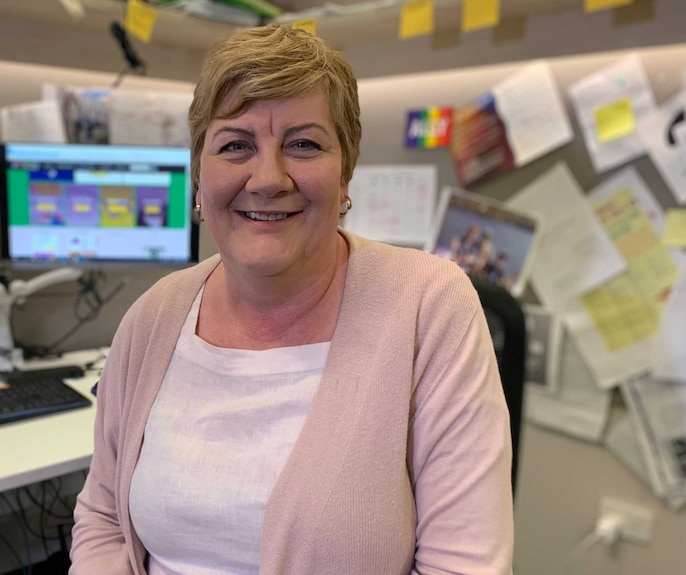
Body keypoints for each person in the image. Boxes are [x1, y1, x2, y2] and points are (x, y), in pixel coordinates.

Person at [70, 24, 513, 575]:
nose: (268, 178)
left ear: (345, 172)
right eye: (235, 145)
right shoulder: (155, 314)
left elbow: (463, 567)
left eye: (304, 144)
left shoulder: (429, 306)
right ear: (198, 176)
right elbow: (104, 518)